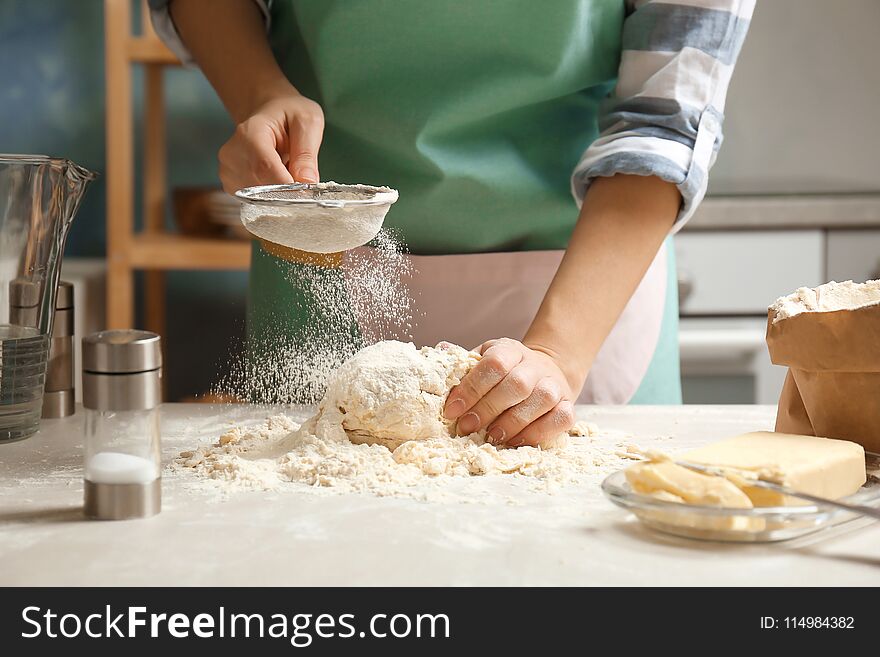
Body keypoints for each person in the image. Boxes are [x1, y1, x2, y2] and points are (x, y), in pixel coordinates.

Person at [151, 0, 753, 447]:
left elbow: (663, 124)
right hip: (328, 258)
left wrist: (557, 353)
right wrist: (260, 92)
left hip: (586, 283)